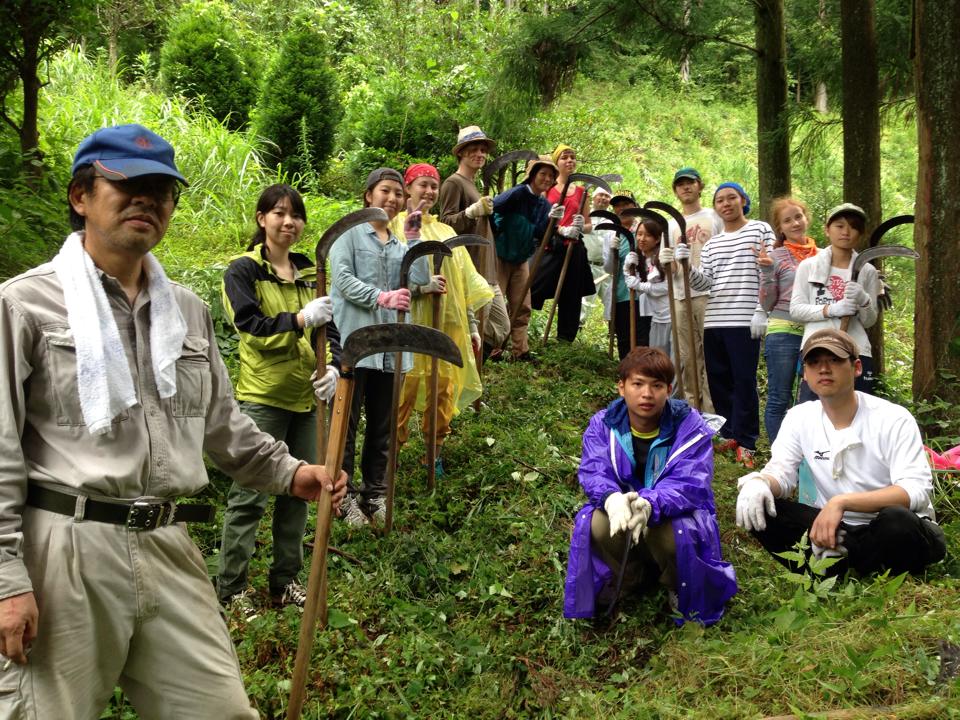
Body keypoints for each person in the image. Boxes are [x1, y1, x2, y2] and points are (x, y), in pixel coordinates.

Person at [0, 124, 346, 718]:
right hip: (67, 549)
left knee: (222, 710)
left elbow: (222, 424)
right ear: (81, 196)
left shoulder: (185, 310)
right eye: (127, 185)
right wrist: (7, 578)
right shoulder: (24, 305)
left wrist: (293, 473)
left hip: (169, 543)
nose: (147, 200)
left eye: (161, 190)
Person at [216, 184, 340, 618]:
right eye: (279, 213)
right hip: (264, 398)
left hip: (307, 399)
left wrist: (334, 368)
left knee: (300, 493)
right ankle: (231, 590)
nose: (289, 222)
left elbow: (331, 328)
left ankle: (285, 583)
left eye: (296, 215)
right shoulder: (243, 270)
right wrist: (300, 318)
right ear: (261, 218)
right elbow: (250, 326)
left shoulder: (309, 270)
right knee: (250, 496)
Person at [735, 329, 946, 577]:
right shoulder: (799, 417)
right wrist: (760, 482)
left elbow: (915, 491)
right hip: (836, 528)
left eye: (834, 360)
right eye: (814, 363)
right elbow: (782, 474)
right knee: (762, 507)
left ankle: (852, 567)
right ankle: (837, 564)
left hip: (891, 527)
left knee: (897, 521)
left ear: (856, 367)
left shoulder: (893, 418)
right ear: (804, 374)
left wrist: (841, 502)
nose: (823, 369)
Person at [563, 347, 737, 625]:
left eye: (656, 385)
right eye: (638, 384)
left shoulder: (689, 426)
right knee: (595, 522)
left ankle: (676, 584)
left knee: (675, 532)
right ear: (621, 387)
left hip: (673, 514)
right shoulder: (603, 424)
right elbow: (594, 470)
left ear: (668, 389)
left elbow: (690, 483)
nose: (647, 394)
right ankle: (631, 576)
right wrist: (611, 499)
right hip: (626, 510)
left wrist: (651, 504)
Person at [329, 168, 429, 526]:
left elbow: (420, 280)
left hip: (392, 351)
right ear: (368, 195)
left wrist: (415, 239)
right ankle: (345, 498)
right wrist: (380, 296)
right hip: (356, 345)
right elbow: (341, 280)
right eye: (385, 191)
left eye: (398, 194)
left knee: (382, 427)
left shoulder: (400, 243)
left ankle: (375, 493)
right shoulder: (349, 235)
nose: (392, 199)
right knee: (347, 425)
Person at [389, 163, 493, 476]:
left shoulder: (447, 232)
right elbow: (389, 280)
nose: (429, 191)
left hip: (448, 324)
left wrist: (472, 325)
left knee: (443, 391)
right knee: (402, 390)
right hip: (410, 325)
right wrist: (421, 288)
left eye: (433, 186)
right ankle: (390, 453)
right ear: (408, 188)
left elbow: (463, 282)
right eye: (423, 185)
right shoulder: (395, 226)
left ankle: (433, 454)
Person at [666, 182, 775, 468]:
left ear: (743, 201)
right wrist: (688, 267)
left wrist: (762, 310)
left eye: (731, 198)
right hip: (715, 318)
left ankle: (748, 441)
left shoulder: (760, 229)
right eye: (720, 200)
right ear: (716, 207)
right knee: (719, 379)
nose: (726, 204)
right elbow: (707, 282)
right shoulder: (713, 243)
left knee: (744, 380)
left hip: (744, 318)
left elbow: (771, 268)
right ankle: (730, 433)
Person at [790, 203, 880, 401]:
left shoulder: (867, 271)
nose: (846, 232)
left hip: (856, 350)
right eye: (839, 226)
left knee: (858, 410)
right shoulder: (809, 266)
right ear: (827, 229)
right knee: (813, 412)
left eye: (853, 227)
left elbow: (869, 321)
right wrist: (830, 309)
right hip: (816, 348)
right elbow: (796, 310)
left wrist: (864, 301)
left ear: (861, 233)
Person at [437, 126, 510, 353]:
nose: (480, 154)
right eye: (474, 149)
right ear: (461, 152)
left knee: (500, 327)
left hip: (488, 269)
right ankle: (467, 379)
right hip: (471, 268)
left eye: (483, 150)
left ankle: (469, 364)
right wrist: (470, 212)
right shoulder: (453, 183)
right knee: (473, 331)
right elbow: (445, 224)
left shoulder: (473, 185)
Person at [758, 196, 818, 441]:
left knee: (811, 398)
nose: (795, 223)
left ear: (806, 218)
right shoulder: (775, 256)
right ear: (779, 228)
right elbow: (766, 303)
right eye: (787, 220)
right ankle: (779, 459)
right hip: (783, 331)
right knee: (779, 397)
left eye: (798, 216)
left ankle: (808, 458)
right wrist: (768, 272)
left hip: (815, 332)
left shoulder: (824, 255)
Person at [665, 168, 723, 412]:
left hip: (710, 294)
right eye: (681, 184)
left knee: (710, 356)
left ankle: (712, 412)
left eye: (690, 183)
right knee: (687, 357)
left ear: (700, 186)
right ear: (676, 190)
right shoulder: (670, 224)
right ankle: (692, 410)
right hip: (680, 295)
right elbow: (667, 267)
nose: (686, 187)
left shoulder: (714, 217)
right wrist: (667, 260)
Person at [490, 155, 557, 361]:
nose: (546, 179)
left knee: (522, 305)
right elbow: (492, 208)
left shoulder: (545, 205)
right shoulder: (518, 193)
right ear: (533, 175)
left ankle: (520, 350)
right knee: (495, 303)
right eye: (542, 174)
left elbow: (541, 234)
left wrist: (553, 222)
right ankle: (492, 348)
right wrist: (497, 233)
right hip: (500, 256)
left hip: (521, 260)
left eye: (550, 176)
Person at [530, 144, 596, 342]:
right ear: (556, 162)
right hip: (550, 244)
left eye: (572, 157)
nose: (569, 160)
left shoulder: (582, 192)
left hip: (573, 247)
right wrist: (559, 228)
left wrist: (578, 227)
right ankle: (518, 326)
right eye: (564, 157)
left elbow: (588, 224)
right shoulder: (547, 188)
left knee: (571, 293)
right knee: (533, 285)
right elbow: (539, 218)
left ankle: (565, 339)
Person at [624, 218, 671, 356]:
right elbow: (632, 286)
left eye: (648, 235)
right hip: (655, 316)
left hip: (672, 315)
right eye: (639, 234)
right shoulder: (641, 259)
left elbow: (668, 287)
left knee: (675, 359)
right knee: (658, 358)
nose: (642, 239)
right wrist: (627, 268)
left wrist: (641, 285)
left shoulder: (663, 258)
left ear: (657, 239)